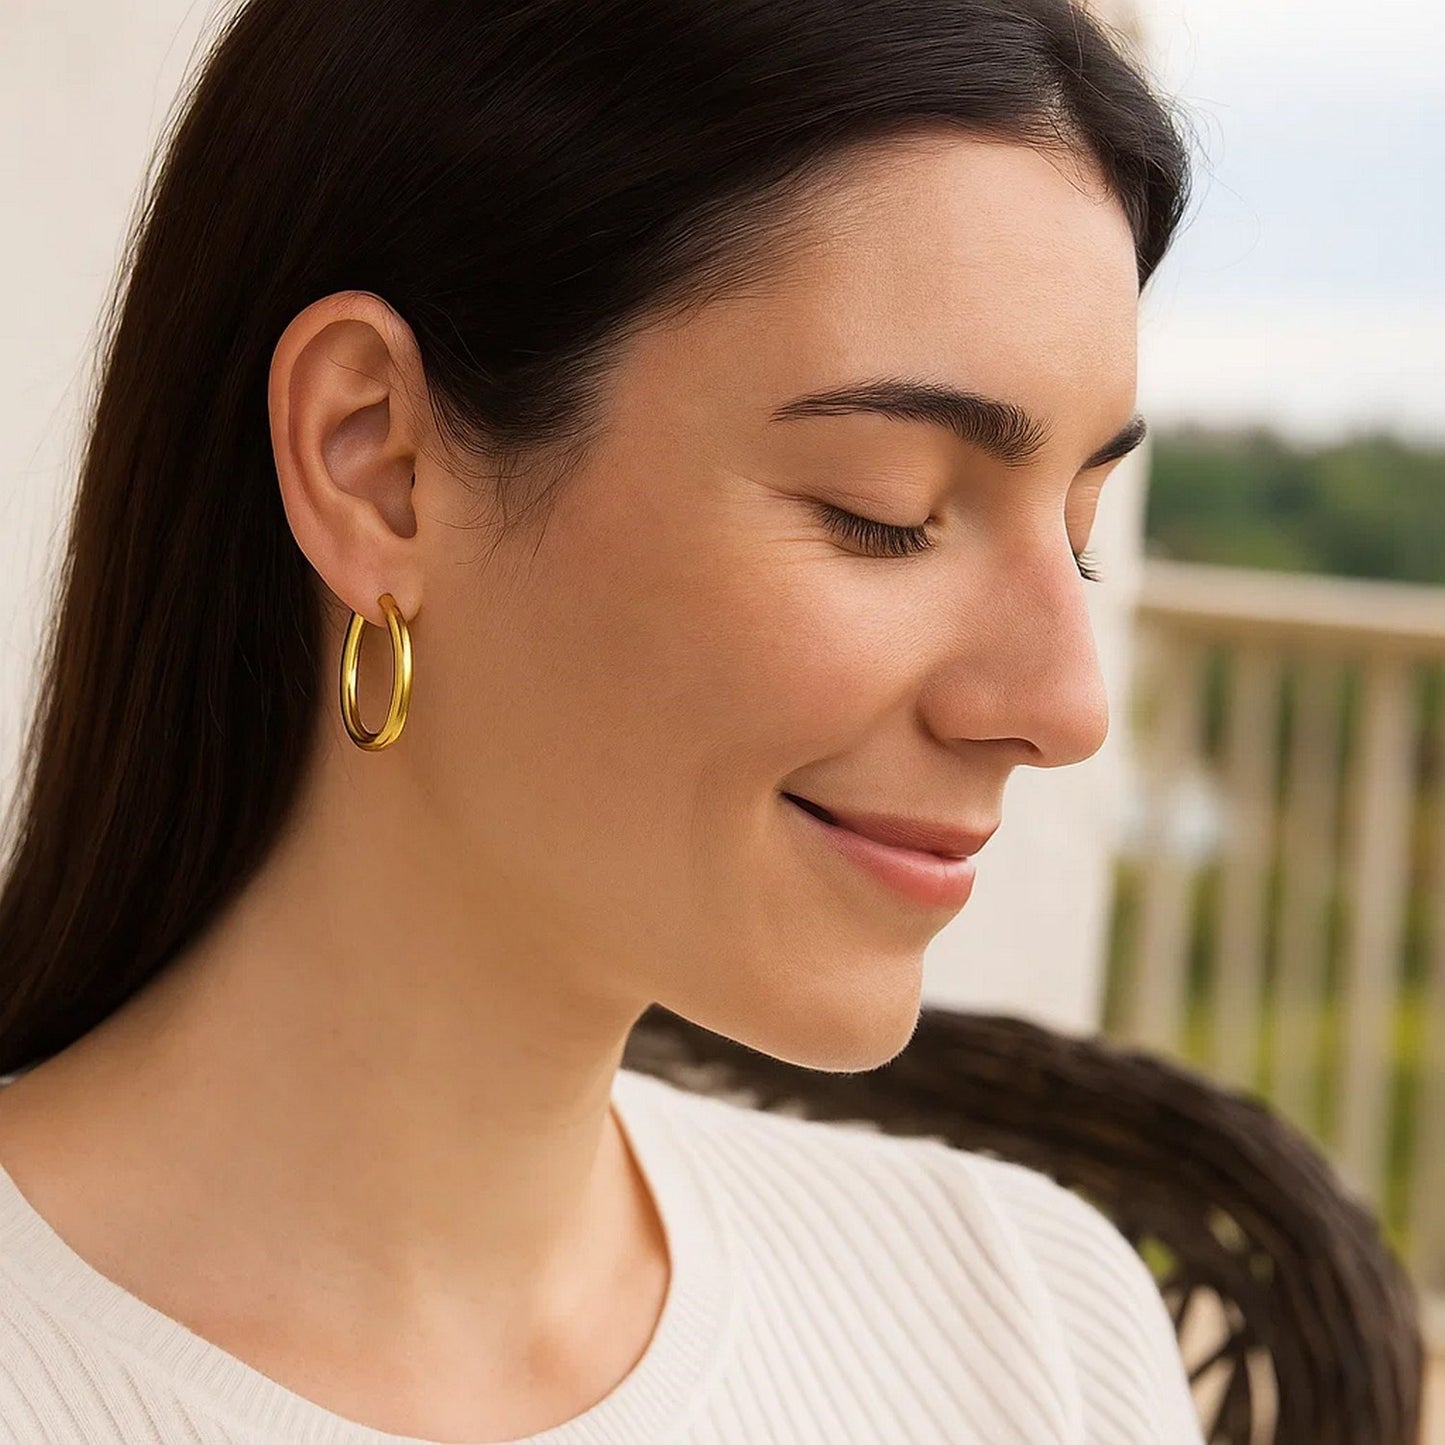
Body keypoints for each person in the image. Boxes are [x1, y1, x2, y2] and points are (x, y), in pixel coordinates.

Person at [0, 0, 1202, 1439]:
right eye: (881, 511)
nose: (1064, 705)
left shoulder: (1032, 1323)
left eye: (1076, 531)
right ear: (376, 462)